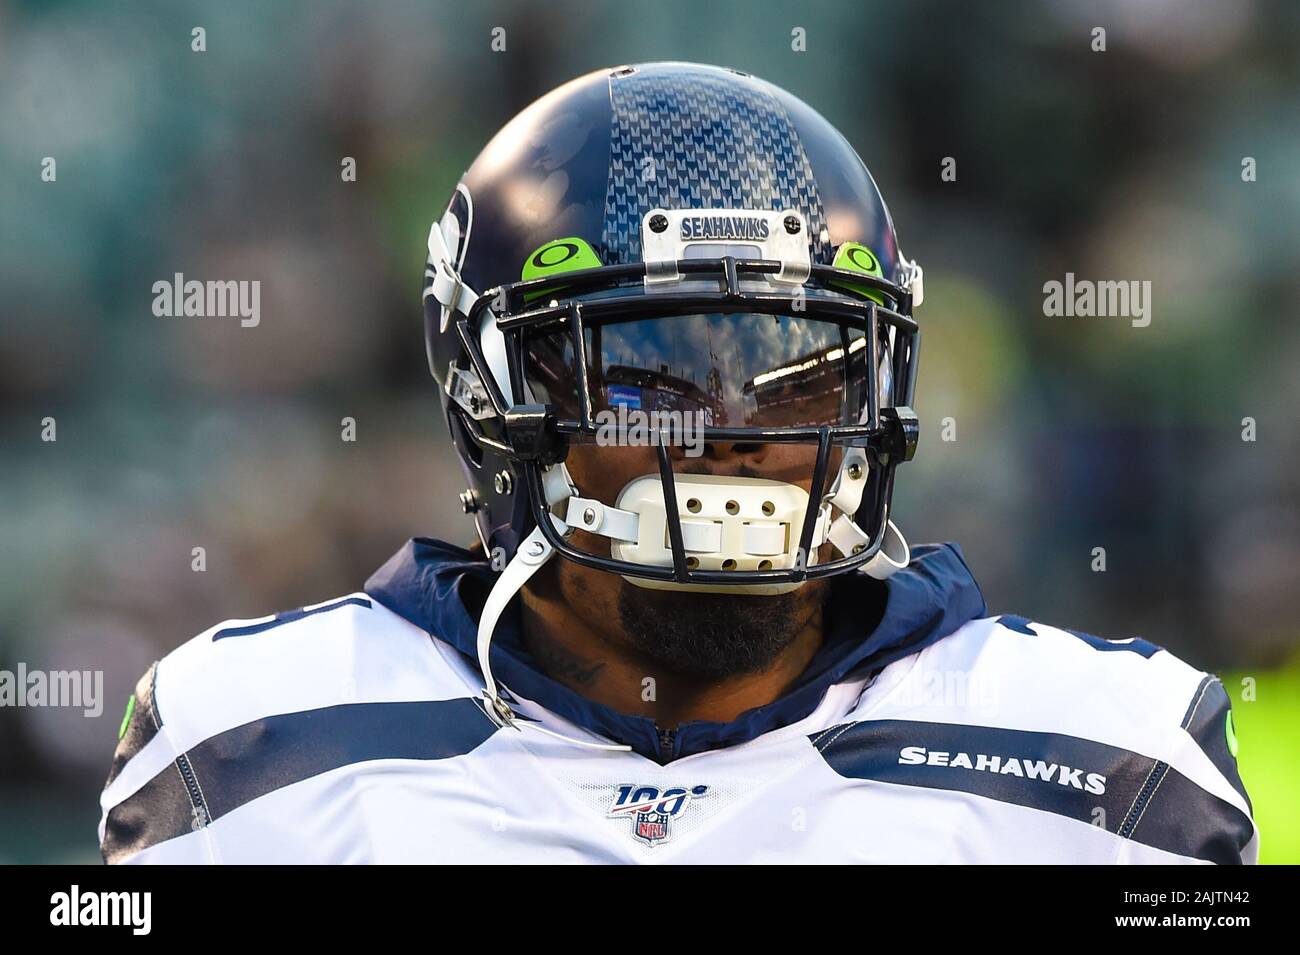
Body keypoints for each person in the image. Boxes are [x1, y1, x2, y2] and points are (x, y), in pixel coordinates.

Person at [99, 62, 1255, 864]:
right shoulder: (245, 743)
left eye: (800, 370)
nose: (731, 428)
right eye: (650, 372)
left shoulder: (1108, 759)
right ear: (491, 390)